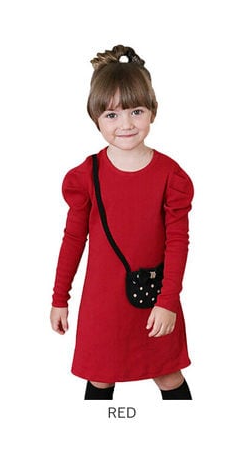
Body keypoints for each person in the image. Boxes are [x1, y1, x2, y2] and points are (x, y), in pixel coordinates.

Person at [50, 44, 193, 400]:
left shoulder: (171, 176)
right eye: (112, 114)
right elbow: (73, 240)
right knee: (100, 377)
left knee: (168, 376)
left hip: (154, 299)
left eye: (136, 111)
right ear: (96, 118)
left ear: (152, 112)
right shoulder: (85, 177)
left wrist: (168, 301)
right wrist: (59, 297)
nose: (126, 124)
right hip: (103, 305)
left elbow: (177, 243)